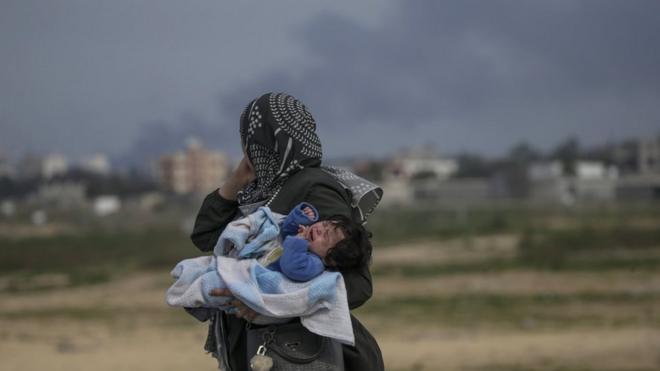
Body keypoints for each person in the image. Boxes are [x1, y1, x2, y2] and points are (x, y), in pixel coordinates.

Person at [188, 92, 384, 370]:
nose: (248, 149)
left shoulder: (315, 187)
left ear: (268, 140)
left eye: (252, 141)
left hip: (306, 355)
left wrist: (274, 305)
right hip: (260, 349)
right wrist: (237, 179)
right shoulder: (258, 192)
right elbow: (205, 236)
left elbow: (357, 284)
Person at [166, 202, 373, 309]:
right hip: (246, 262)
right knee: (206, 265)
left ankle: (190, 291)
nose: (319, 229)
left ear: (331, 259)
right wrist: (301, 217)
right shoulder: (303, 239)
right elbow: (284, 229)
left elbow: (292, 266)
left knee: (214, 281)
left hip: (252, 279)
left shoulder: (313, 264)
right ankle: (189, 275)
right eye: (325, 224)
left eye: (326, 237)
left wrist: (299, 241)